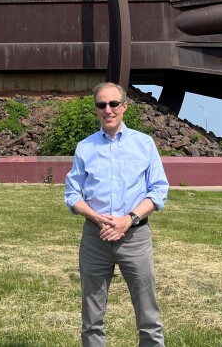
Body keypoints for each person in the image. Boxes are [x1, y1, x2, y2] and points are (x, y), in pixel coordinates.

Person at [64, 82, 169, 346]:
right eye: (101, 105)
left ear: (124, 106)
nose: (108, 110)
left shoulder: (144, 144)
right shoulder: (85, 147)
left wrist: (128, 220)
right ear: (96, 109)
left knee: (148, 316)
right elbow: (72, 194)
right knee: (92, 319)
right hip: (95, 238)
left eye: (113, 104)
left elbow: (158, 191)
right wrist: (97, 218)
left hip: (135, 237)